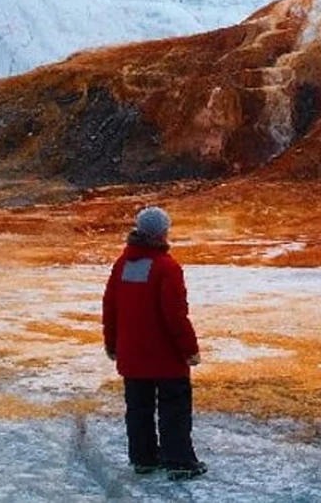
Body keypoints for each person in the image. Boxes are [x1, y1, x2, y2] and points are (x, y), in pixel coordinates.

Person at [102, 206, 206, 481]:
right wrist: (190, 350)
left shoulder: (122, 265)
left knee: (138, 409)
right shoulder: (166, 267)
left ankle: (144, 459)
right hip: (165, 357)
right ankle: (180, 461)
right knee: (174, 408)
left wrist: (111, 343)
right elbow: (175, 315)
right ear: (162, 233)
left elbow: (110, 308)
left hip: (132, 354)